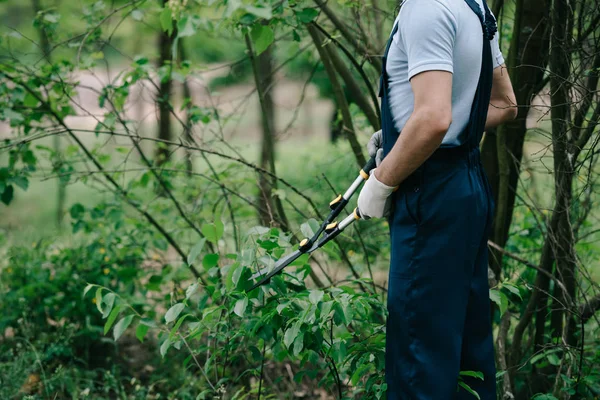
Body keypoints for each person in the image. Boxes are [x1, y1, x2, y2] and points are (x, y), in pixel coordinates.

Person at [357, 0, 517, 398]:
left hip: (429, 192)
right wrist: (401, 138)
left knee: (418, 362)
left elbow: (433, 119)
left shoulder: (425, 8)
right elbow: (503, 104)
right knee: (467, 359)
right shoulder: (473, 6)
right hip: (466, 185)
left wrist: (382, 181)